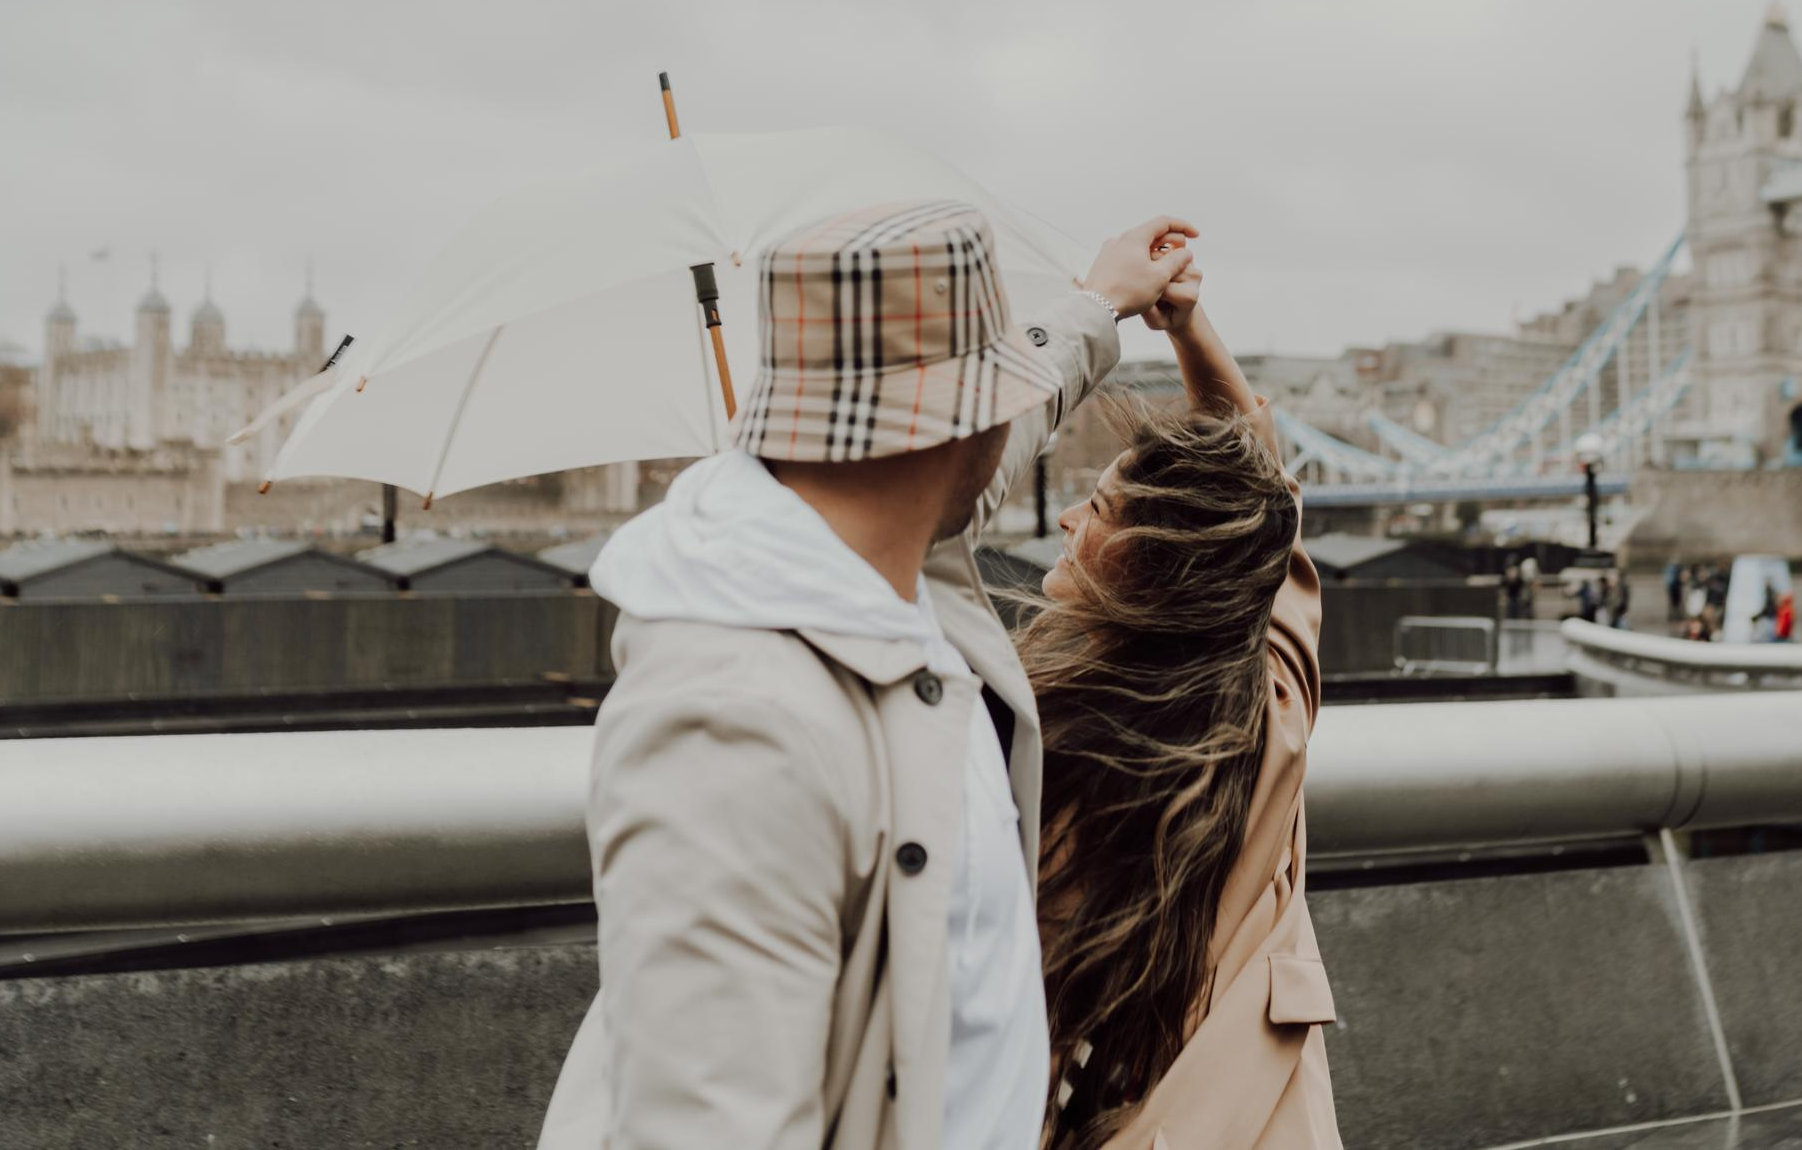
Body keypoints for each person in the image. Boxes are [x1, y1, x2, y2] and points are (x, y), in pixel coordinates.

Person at [541, 204, 1196, 1150]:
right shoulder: (736, 716)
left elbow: (998, 437)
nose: (1017, 410)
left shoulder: (894, 559)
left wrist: (1099, 304)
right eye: (997, 388)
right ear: (950, 426)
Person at [1018, 270, 1342, 1148]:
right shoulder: (1272, 707)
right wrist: (1190, 327)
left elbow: (1025, 1021)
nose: (1066, 520)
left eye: (1098, 506)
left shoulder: (1056, 753)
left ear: (1158, 561)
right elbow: (1263, 491)